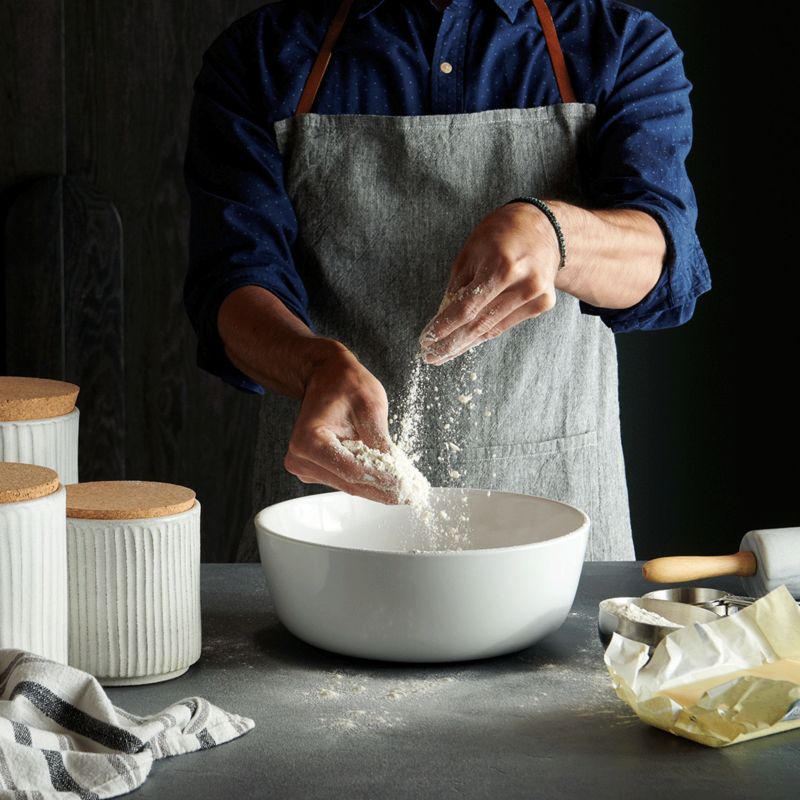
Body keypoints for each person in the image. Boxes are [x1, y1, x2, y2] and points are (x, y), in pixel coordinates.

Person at [184, 0, 711, 562]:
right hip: (328, 527)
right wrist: (312, 364)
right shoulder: (266, 54)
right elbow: (234, 281)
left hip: (558, 535)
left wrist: (554, 234)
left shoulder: (618, 43)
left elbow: (657, 258)